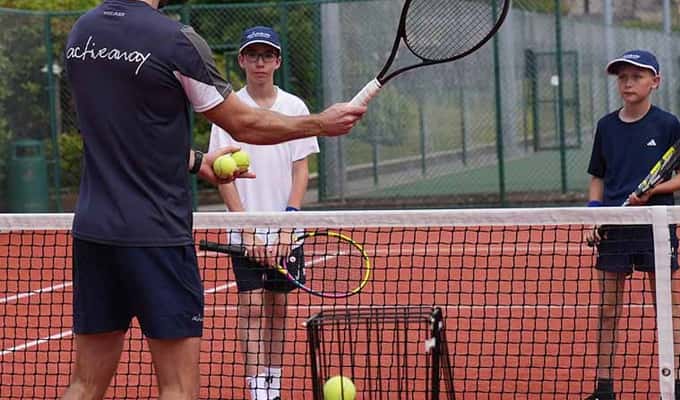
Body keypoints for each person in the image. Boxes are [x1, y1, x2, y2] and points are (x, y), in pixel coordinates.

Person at [61, 0, 365, 399]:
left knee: (84, 384)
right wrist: (320, 124)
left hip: (94, 232)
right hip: (157, 237)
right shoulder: (175, 40)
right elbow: (243, 122)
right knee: (179, 388)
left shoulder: (82, 33)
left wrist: (195, 161)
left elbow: (119, 130)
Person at [207, 26, 318, 400]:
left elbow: (301, 169)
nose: (259, 62)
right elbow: (222, 174)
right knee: (251, 307)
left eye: (266, 55)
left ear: (277, 62)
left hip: (285, 229)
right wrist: (248, 230)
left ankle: (274, 384)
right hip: (246, 231)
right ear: (241, 60)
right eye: (252, 55)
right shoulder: (227, 110)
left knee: (279, 306)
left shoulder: (295, 108)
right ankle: (259, 393)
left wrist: (288, 224)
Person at [585, 49, 680, 400]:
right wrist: (595, 212)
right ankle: (604, 387)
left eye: (637, 76)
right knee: (608, 309)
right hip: (615, 225)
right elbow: (598, 176)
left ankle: (676, 379)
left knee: (665, 308)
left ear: (655, 82)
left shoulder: (669, 125)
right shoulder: (606, 126)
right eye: (623, 77)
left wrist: (654, 190)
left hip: (656, 225)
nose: (628, 82)